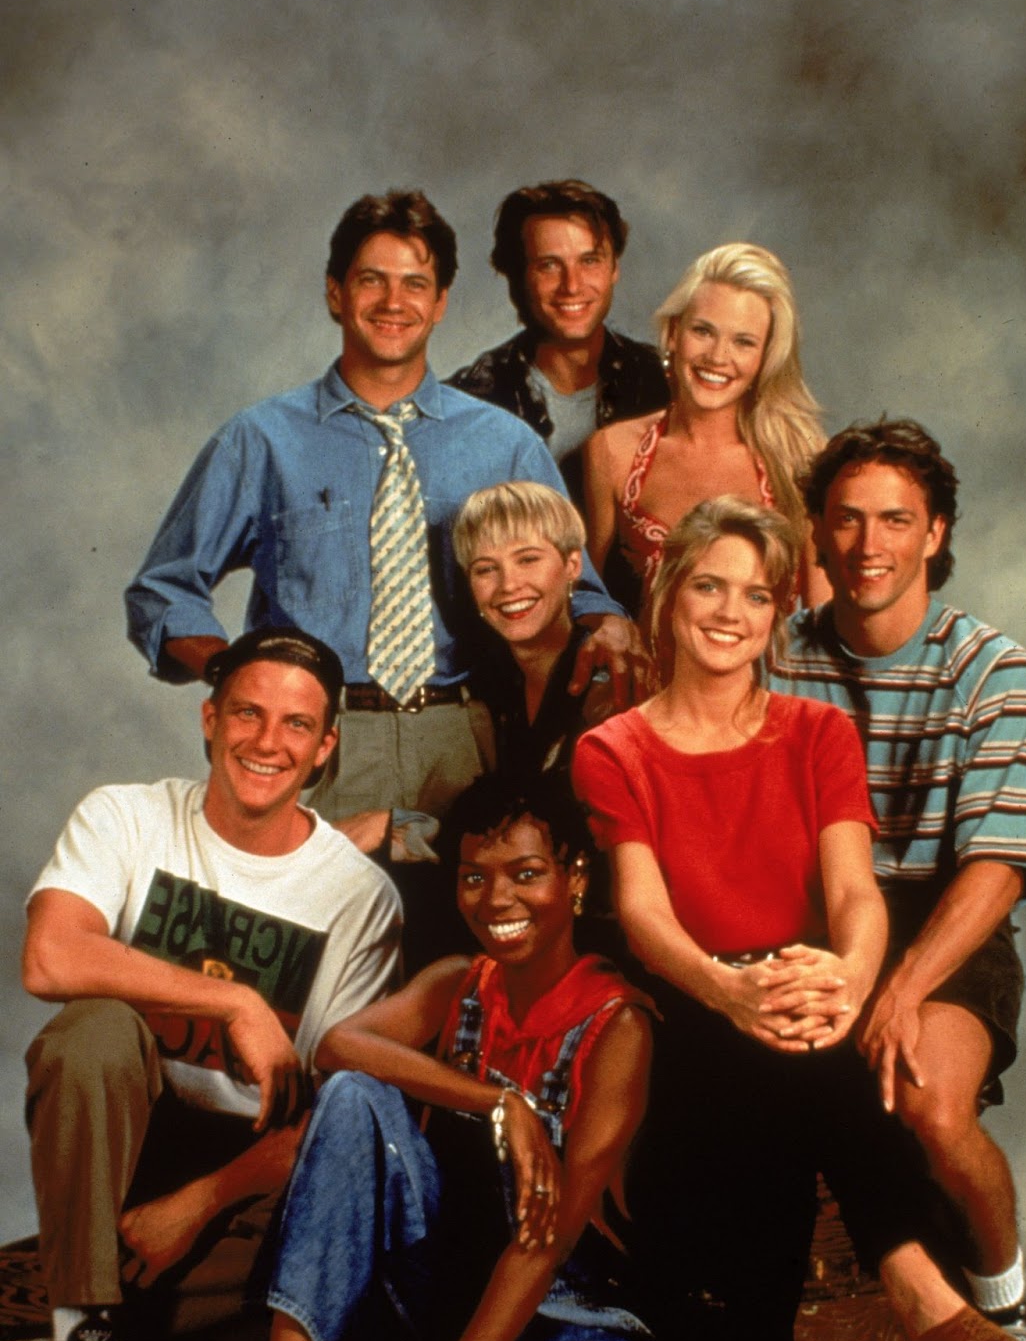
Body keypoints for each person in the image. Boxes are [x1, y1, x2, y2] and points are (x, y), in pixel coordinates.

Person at [571, 498, 1015, 1341]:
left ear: (778, 614)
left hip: (805, 978)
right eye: (708, 586)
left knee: (795, 1048)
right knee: (769, 1058)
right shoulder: (616, 749)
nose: (731, 612)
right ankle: (905, 1265)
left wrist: (852, 979)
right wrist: (729, 991)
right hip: (686, 990)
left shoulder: (818, 730)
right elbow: (643, 915)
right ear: (667, 594)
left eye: (757, 595)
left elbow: (854, 893)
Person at [169, 773, 676, 1341]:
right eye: (475, 878)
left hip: (556, 1318)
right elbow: (340, 1046)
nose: (496, 900)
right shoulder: (458, 984)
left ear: (576, 878)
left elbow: (544, 1245)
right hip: (432, 1298)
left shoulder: (618, 1026)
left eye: (526, 875)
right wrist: (502, 1102)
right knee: (354, 1096)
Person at [124, 189, 642, 855]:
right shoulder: (262, 439)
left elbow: (583, 592)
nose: (394, 302)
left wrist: (612, 623)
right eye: (373, 280)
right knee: (310, 943)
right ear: (337, 294)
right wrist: (237, 671)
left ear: (441, 302)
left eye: (415, 283)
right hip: (319, 742)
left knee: (459, 949)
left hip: (467, 739)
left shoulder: (504, 444)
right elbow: (162, 591)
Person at [0, 628, 401, 1341]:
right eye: (248, 714)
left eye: (296, 725)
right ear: (210, 720)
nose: (267, 742)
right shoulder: (127, 815)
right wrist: (237, 1000)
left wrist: (198, 1204)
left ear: (326, 746)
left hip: (245, 1185)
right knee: (96, 1026)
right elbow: (51, 957)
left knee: (313, 1313)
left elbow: (340, 1121)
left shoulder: (358, 897)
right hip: (122, 1144)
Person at [771, 419, 1026, 1341]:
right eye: (844, 519)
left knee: (931, 1106)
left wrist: (897, 989)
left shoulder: (993, 668)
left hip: (946, 919)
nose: (866, 544)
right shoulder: (773, 657)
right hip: (807, 915)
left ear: (934, 533)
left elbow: (997, 868)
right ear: (814, 531)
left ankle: (1009, 1322)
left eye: (894, 519)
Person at [583, 242, 830, 612]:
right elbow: (585, 599)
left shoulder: (803, 459)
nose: (718, 357)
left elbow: (825, 617)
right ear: (673, 334)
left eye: (743, 342)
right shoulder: (612, 451)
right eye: (703, 331)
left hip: (773, 670)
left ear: (766, 358)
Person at [448, 179, 669, 510]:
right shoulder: (471, 400)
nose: (572, 285)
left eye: (590, 260)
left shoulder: (663, 384)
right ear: (518, 276)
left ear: (614, 269)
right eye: (548, 265)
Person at [452, 481, 616, 778]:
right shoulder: (490, 684)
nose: (509, 585)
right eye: (486, 569)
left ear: (573, 564)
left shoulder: (606, 677)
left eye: (528, 560)